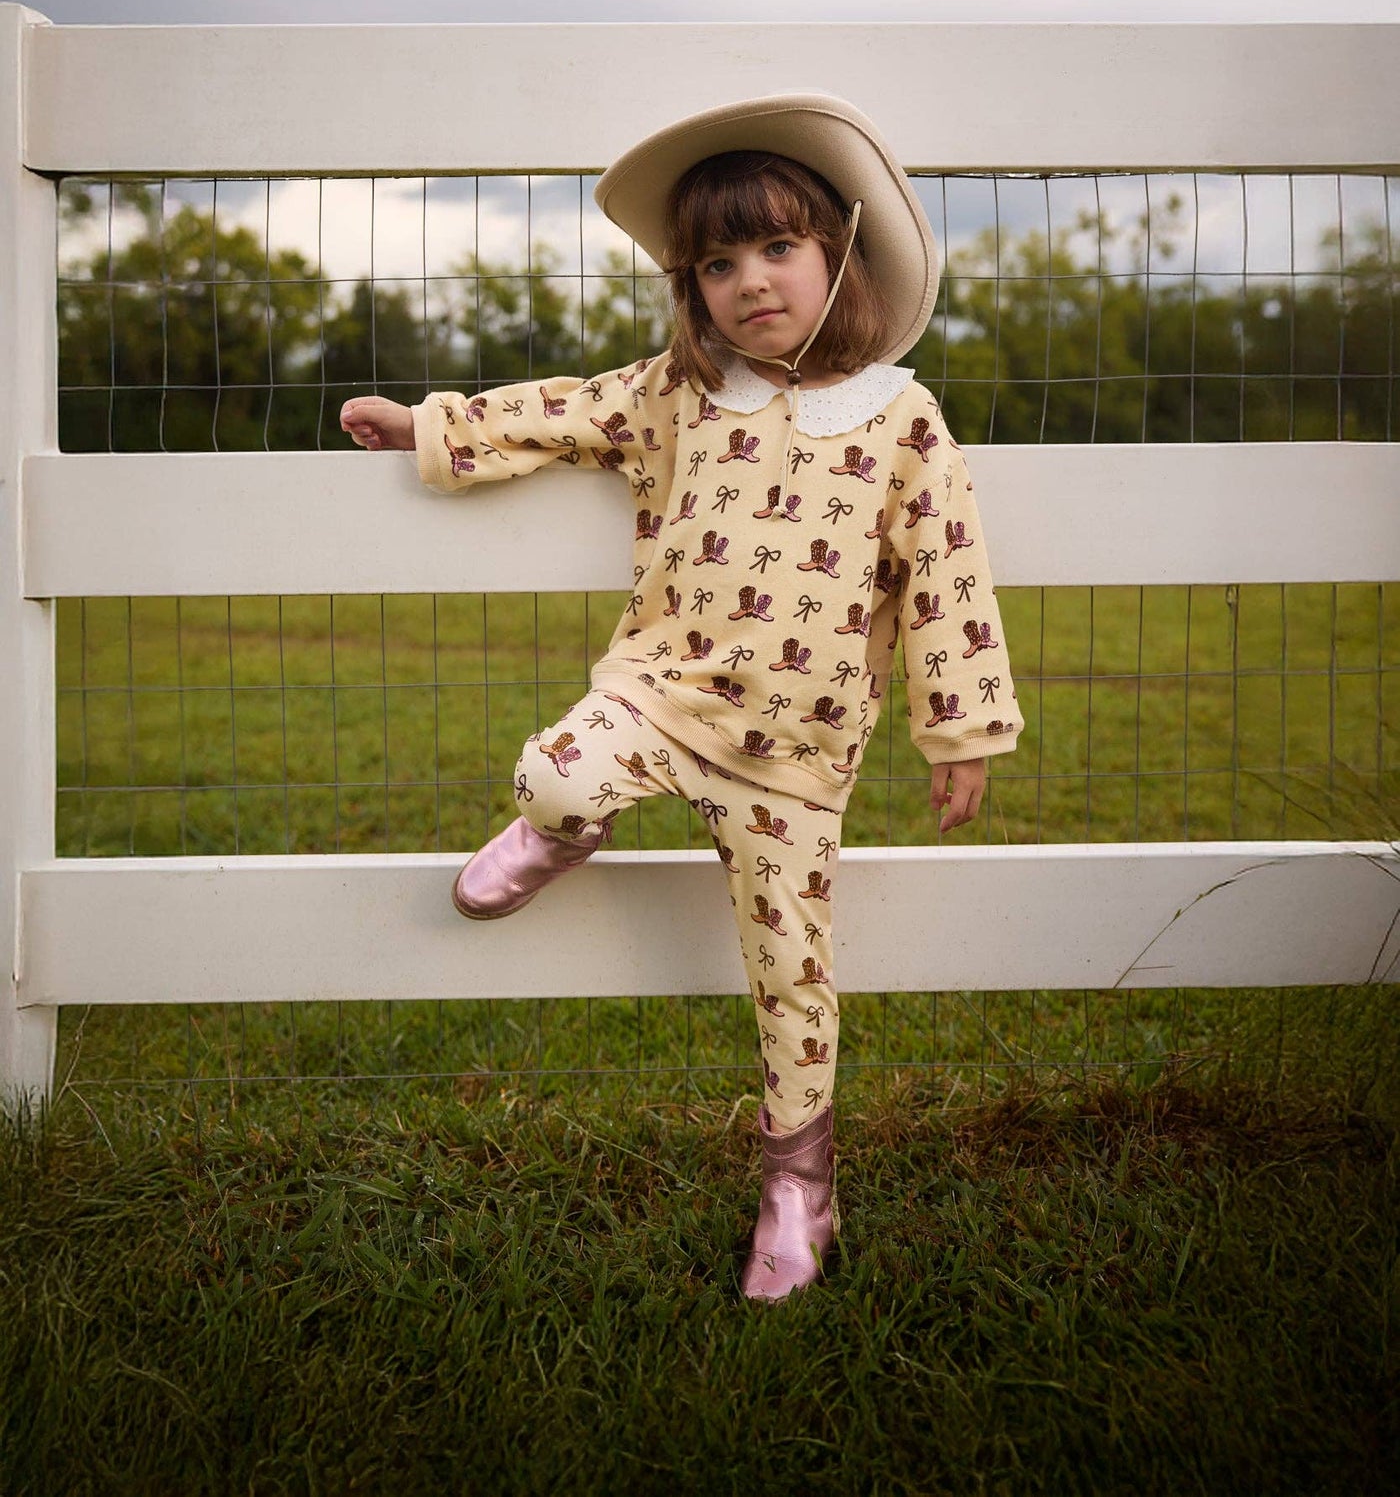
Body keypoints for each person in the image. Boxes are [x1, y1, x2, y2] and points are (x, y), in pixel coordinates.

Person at [341, 91, 1023, 1303]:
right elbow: (559, 409)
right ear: (691, 286)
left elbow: (946, 577)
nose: (750, 281)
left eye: (777, 248)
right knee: (551, 767)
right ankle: (565, 830)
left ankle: (796, 1186)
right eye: (718, 262)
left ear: (835, 254)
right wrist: (426, 425)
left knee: (791, 973)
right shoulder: (680, 393)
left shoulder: (902, 420)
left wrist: (958, 731)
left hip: (795, 759)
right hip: (659, 694)